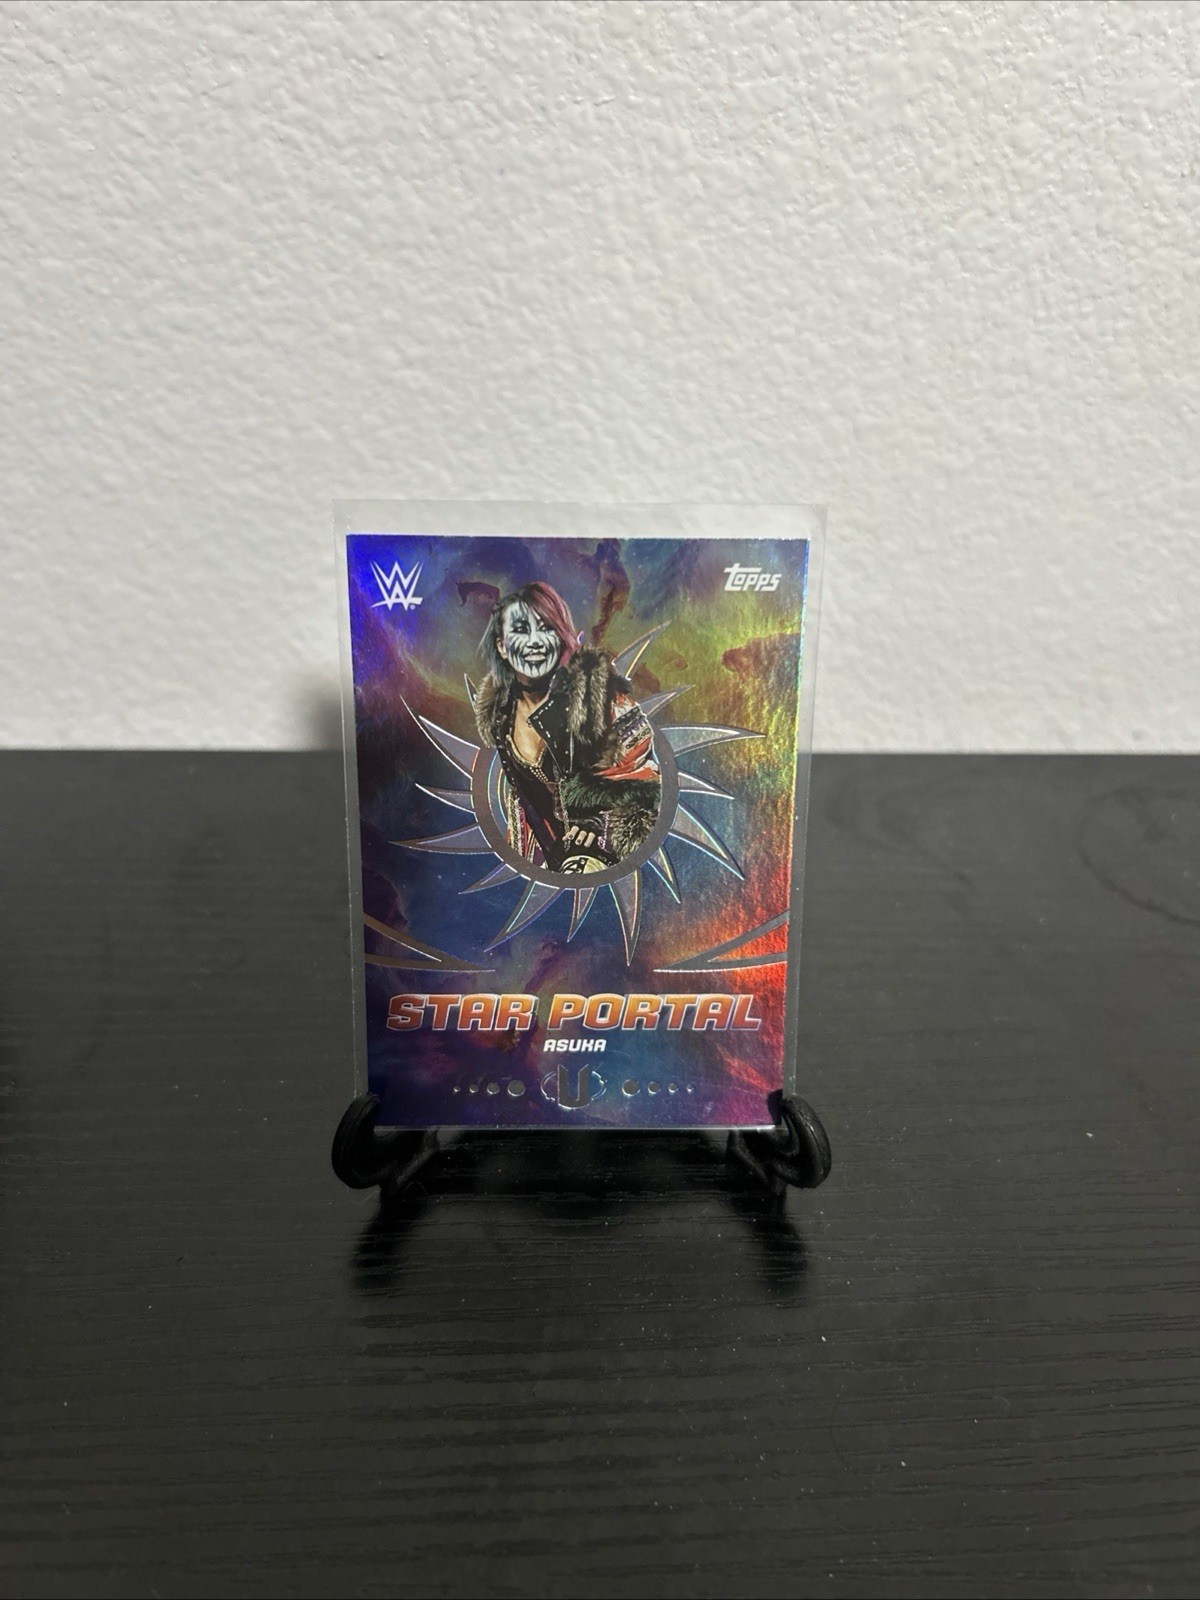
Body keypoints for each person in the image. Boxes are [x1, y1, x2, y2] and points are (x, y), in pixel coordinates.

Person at [474, 582, 661, 873]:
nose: (535, 642)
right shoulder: (502, 715)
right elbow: (525, 802)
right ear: (502, 646)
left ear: (560, 638)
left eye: (546, 629)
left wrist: (597, 822)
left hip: (606, 854)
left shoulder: (600, 696)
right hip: (550, 859)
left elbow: (646, 783)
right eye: (521, 630)